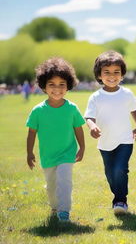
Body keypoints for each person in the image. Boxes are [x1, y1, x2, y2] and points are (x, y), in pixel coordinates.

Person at [26, 57, 85, 222]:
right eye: (52, 84)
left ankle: (64, 211)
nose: (57, 89)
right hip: (48, 155)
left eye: (62, 84)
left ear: (68, 86)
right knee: (51, 187)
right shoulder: (38, 111)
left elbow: (78, 129)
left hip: (67, 153)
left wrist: (82, 148)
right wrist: (29, 153)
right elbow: (31, 133)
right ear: (44, 86)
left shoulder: (72, 108)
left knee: (64, 180)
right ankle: (54, 206)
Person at [84, 51, 136, 215]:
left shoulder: (127, 94)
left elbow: (134, 109)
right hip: (105, 143)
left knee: (120, 169)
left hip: (125, 140)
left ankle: (121, 201)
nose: (112, 76)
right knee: (110, 173)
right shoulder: (96, 97)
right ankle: (118, 194)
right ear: (99, 75)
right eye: (107, 72)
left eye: (116, 72)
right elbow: (89, 116)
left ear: (122, 74)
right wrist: (92, 126)